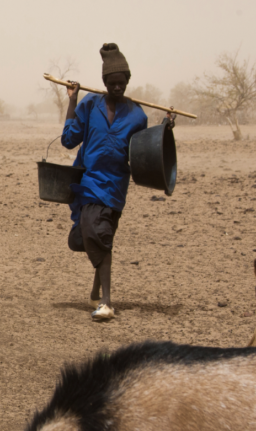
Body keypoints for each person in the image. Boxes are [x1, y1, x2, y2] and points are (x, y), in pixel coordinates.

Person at [61, 43, 173, 321]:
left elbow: (146, 152)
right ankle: (103, 291)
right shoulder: (89, 105)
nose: (117, 88)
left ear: (127, 82)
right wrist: (73, 100)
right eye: (112, 83)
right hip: (88, 181)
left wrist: (166, 127)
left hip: (115, 186)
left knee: (100, 236)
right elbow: (68, 140)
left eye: (121, 83)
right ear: (104, 82)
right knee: (85, 238)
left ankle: (106, 302)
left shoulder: (137, 116)